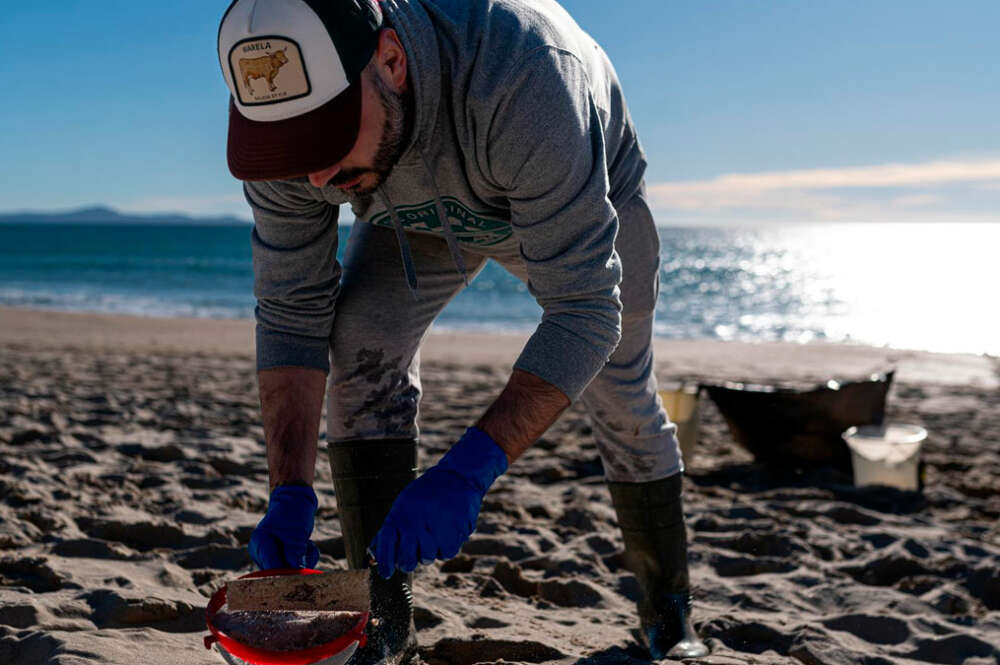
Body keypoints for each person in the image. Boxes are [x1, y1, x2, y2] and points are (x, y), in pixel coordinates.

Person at [217, 0, 708, 661]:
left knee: (619, 388)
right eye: (290, 145)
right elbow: (290, 312)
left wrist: (468, 472)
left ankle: (668, 620)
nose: (315, 177)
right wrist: (290, 487)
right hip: (408, 204)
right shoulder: (296, 150)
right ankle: (385, 630)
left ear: (390, 61)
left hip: (582, 191)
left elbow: (586, 310)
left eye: (326, 136)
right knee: (360, 336)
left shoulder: (526, 75)